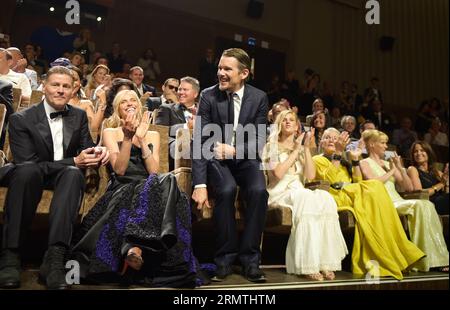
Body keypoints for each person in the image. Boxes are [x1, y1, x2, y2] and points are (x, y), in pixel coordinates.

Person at [71, 90, 207, 288]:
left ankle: (136, 247)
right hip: (123, 186)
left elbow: (153, 172)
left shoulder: (151, 134)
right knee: (161, 184)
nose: (129, 104)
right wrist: (127, 137)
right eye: (123, 101)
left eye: (133, 100)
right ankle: (135, 248)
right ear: (117, 108)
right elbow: (119, 169)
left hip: (149, 186)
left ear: (139, 104)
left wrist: (142, 140)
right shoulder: (110, 132)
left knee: (165, 180)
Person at [0, 66, 109, 289]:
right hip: (29, 174)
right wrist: (74, 161)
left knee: (72, 175)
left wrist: (99, 151)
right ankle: (11, 255)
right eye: (55, 85)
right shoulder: (22, 119)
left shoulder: (78, 116)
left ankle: (55, 258)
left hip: (62, 175)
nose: (60, 90)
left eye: (66, 86)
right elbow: (27, 162)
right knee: (28, 171)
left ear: (73, 91)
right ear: (44, 87)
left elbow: (85, 148)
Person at [192, 48, 269, 283]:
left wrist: (234, 150)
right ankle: (223, 260)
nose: (221, 73)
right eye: (219, 68)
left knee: (258, 191)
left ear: (244, 73)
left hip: (245, 159)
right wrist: (200, 184)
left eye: (227, 69)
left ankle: (250, 261)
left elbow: (258, 139)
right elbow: (200, 140)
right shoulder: (208, 95)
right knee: (225, 190)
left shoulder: (259, 98)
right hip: (217, 159)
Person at [313, 128, 424, 280]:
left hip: (352, 193)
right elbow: (329, 180)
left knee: (376, 187)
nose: (332, 140)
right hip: (335, 196)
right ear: (321, 142)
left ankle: (392, 252)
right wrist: (338, 153)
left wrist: (356, 160)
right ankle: (387, 254)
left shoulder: (345, 162)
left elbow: (358, 181)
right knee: (375, 186)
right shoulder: (317, 159)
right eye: (327, 137)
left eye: (335, 138)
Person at [262, 110, 348, 281]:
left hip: (299, 192)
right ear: (279, 125)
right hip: (280, 193)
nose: (287, 122)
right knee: (305, 197)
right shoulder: (270, 146)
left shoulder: (301, 149)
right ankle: (306, 264)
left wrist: (306, 149)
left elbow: (309, 175)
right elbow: (277, 174)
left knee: (326, 198)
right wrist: (295, 150)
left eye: (291, 120)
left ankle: (324, 262)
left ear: (296, 126)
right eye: (284, 120)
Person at [360, 130, 449, 272]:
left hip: (398, 200)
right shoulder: (365, 162)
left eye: (385, 143)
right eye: (382, 143)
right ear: (371, 144)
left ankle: (435, 258)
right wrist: (391, 171)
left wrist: (400, 169)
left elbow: (408, 188)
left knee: (426, 204)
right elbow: (373, 182)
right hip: (383, 202)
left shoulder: (387, 163)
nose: (385, 146)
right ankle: (423, 260)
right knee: (420, 204)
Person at [156, 76, 199, 169]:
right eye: (180, 89)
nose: (180, 92)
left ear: (195, 94)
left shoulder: (205, 111)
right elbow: (159, 132)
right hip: (175, 154)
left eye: (185, 90)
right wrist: (186, 126)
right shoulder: (166, 108)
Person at [407, 141, 449, 215]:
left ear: (428, 153)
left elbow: (446, 192)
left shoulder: (436, 172)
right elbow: (419, 193)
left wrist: (447, 182)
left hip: (442, 201)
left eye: (422, 150)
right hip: (429, 204)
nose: (419, 153)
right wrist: (441, 184)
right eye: (415, 151)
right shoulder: (413, 169)